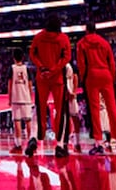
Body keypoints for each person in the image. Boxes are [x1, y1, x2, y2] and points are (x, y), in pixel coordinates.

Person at [76, 23, 116, 156]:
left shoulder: (82, 43)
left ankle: (99, 143)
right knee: (112, 109)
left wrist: (83, 77)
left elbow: (81, 63)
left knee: (95, 110)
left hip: (92, 75)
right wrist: (112, 77)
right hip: (106, 74)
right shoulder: (104, 42)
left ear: (86, 30)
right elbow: (111, 61)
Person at [26, 15, 71, 158]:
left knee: (39, 109)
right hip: (57, 78)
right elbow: (67, 57)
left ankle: (34, 137)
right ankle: (59, 144)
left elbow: (32, 54)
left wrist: (42, 67)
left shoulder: (39, 37)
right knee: (60, 112)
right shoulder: (63, 38)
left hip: (42, 78)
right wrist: (54, 69)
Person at [8, 48, 33, 154]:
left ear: (13, 57)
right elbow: (30, 85)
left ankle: (18, 146)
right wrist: (30, 97)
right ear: (23, 57)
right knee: (28, 122)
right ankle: (31, 144)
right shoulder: (26, 68)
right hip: (26, 98)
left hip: (16, 98)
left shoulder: (12, 68)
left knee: (17, 122)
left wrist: (9, 98)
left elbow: (9, 85)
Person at [64, 62, 83, 153]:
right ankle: (67, 143)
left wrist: (73, 92)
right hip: (65, 95)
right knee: (68, 120)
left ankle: (76, 142)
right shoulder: (64, 65)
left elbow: (75, 77)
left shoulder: (69, 66)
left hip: (68, 95)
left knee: (74, 119)